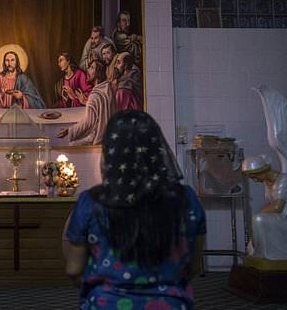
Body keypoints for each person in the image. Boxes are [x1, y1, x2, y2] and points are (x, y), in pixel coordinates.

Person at [63, 110, 206, 310]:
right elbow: (194, 266)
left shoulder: (91, 202)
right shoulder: (186, 199)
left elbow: (73, 269)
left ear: (109, 153)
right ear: (157, 150)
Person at [241, 155, 287, 260]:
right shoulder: (267, 182)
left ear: (263, 170)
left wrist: (259, 215)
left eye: (255, 176)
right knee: (258, 220)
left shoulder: (284, 181)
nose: (254, 180)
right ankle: (262, 254)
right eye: (252, 177)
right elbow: (271, 205)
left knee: (259, 219)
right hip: (280, 215)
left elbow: (278, 206)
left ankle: (274, 255)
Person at [57, 60, 115, 145]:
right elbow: (100, 110)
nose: (87, 70)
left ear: (98, 72)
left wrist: (69, 131)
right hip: (109, 137)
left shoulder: (95, 95)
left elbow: (88, 123)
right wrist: (85, 102)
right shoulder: (107, 89)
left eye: (91, 68)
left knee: (72, 145)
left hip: (97, 137)